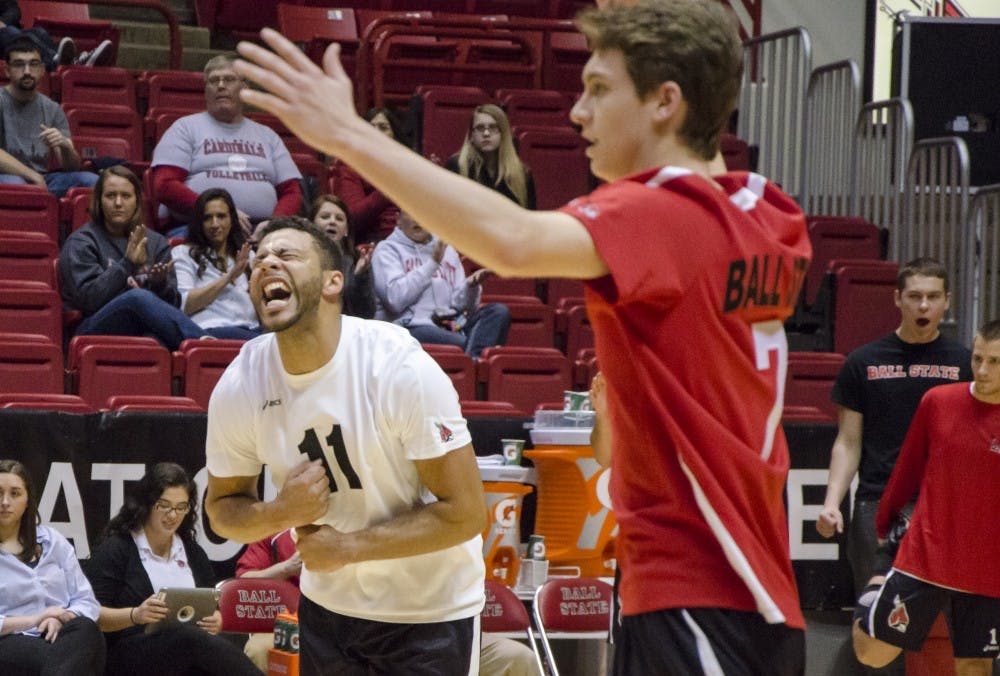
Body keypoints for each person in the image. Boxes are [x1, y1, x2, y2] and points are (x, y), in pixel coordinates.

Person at [232, 0, 811, 672]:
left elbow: (511, 240)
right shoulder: (773, 215)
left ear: (665, 103)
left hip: (696, 586)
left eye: (599, 90)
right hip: (762, 587)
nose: (577, 113)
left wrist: (349, 135)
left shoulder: (663, 212)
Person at [204, 216, 488, 674]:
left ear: (334, 281)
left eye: (286, 255)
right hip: (328, 612)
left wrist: (349, 548)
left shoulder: (398, 367)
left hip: (430, 612)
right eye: (259, 259)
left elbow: (467, 513)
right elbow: (221, 510)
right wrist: (281, 512)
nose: (266, 264)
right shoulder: (241, 383)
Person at [851, 320, 1000, 676]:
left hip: (989, 567)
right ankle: (871, 598)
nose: (982, 369)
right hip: (927, 556)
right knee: (871, 651)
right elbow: (907, 470)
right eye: (978, 358)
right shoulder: (938, 402)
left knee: (975, 666)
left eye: (995, 362)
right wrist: (885, 537)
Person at [815, 258, 972, 597]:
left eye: (933, 296)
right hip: (878, 504)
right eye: (915, 296)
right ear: (897, 299)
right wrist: (831, 502)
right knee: (874, 618)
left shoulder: (966, 365)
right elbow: (848, 442)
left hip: (944, 508)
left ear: (947, 301)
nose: (924, 305)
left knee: (943, 623)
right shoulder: (863, 362)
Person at [235, 528, 537, 676]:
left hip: (423, 620)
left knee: (516, 655)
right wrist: (286, 568)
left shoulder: (405, 522)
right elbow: (241, 586)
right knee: (260, 648)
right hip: (310, 627)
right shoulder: (274, 531)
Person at [83, 462, 261, 676]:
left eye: (180, 507)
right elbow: (91, 615)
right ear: (147, 504)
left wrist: (216, 619)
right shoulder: (117, 548)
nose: (172, 515)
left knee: (199, 647)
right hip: (128, 654)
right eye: (164, 505)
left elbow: (211, 603)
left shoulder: (192, 552)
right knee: (189, 638)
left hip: (183, 654)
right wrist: (135, 615)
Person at [58, 165, 209, 351]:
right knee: (137, 297)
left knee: (157, 342)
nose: (118, 203)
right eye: (111, 196)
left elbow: (173, 306)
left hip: (141, 326)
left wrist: (160, 285)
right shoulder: (81, 242)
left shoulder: (155, 242)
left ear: (137, 201)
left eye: (126, 196)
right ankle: (203, 346)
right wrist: (127, 263)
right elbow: (89, 300)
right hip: (93, 326)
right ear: (99, 201)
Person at [151, 53, 302, 236]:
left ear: (244, 88)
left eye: (229, 79)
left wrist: (274, 224)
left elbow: (292, 192)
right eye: (214, 81)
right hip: (201, 227)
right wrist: (219, 212)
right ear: (206, 91)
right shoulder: (184, 128)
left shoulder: (268, 136)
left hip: (261, 231)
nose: (221, 85)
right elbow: (164, 185)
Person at [0, 459, 106, 676]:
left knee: (87, 629)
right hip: (10, 640)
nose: (5, 502)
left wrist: (57, 617)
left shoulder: (52, 540)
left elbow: (86, 601)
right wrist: (36, 619)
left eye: (15, 493)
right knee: (75, 660)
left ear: (28, 498)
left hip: (62, 634)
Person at [372, 209, 509, 358]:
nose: (418, 220)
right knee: (466, 344)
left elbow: (461, 307)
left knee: (498, 312)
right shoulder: (386, 250)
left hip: (451, 326)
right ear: (398, 219)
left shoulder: (446, 249)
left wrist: (471, 286)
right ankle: (473, 364)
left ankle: (472, 363)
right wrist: (432, 264)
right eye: (412, 212)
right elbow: (395, 300)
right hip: (408, 327)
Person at [0, 37, 99, 197]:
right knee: (18, 185)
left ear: (42, 70)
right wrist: (32, 176)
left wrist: (65, 147)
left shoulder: (52, 108)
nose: (27, 71)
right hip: (7, 177)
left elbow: (71, 167)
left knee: (92, 181)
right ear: (7, 70)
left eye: (33, 64)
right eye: (19, 65)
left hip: (44, 179)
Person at [172, 187, 260, 340]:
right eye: (207, 218)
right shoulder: (184, 253)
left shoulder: (247, 255)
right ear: (199, 222)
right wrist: (229, 277)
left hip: (252, 329)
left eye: (221, 216)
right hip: (212, 329)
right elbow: (185, 304)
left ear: (232, 220)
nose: (214, 224)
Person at [332, 107, 406, 243]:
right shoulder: (351, 167)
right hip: (373, 241)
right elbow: (353, 217)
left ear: (394, 135)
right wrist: (389, 187)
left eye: (383, 128)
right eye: (370, 128)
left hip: (413, 239)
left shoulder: (408, 165)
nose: (376, 132)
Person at [444, 104, 536, 210]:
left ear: (503, 134)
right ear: (471, 135)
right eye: (480, 128)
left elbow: (528, 220)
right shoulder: (456, 166)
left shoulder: (523, 174)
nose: (486, 133)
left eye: (493, 128)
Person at [234, 529, 299, 670]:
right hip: (288, 622)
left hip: (338, 620)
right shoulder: (275, 526)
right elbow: (244, 583)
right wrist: (286, 568)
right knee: (258, 649)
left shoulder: (345, 523)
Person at [309, 193, 375, 319]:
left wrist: (360, 277)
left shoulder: (357, 259)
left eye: (339, 219)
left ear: (346, 230)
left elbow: (367, 313)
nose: (332, 221)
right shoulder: (300, 259)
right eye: (325, 217)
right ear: (312, 224)